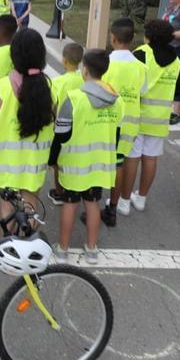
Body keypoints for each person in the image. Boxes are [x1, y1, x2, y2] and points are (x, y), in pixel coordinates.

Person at [51, 49, 122, 264]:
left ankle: (63, 249)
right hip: (100, 164)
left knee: (70, 203)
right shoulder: (117, 100)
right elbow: (116, 135)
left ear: (85, 70)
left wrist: (53, 158)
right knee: (93, 203)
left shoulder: (74, 98)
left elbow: (61, 133)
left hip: (74, 164)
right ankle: (92, 249)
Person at [0, 29, 54, 223]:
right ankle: (29, 244)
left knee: (7, 212)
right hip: (35, 162)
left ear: (14, 56)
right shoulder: (49, 88)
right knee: (31, 208)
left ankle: (10, 246)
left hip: (7, 165)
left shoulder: (1, 88)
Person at [126, 20, 180, 211]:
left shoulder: (142, 53)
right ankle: (141, 198)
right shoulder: (176, 60)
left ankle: (124, 200)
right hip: (159, 119)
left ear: (148, 36)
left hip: (138, 115)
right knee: (150, 158)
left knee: (132, 158)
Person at [103, 18, 148, 226]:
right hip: (131, 123)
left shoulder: (107, 63)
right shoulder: (140, 67)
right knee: (122, 162)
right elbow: (142, 92)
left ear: (113, 38)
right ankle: (114, 204)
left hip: (106, 121)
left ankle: (95, 203)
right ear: (132, 39)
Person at [47, 42, 84, 199]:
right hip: (81, 126)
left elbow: (52, 105)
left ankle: (59, 192)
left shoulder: (58, 82)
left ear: (64, 60)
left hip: (61, 128)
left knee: (58, 161)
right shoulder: (84, 79)